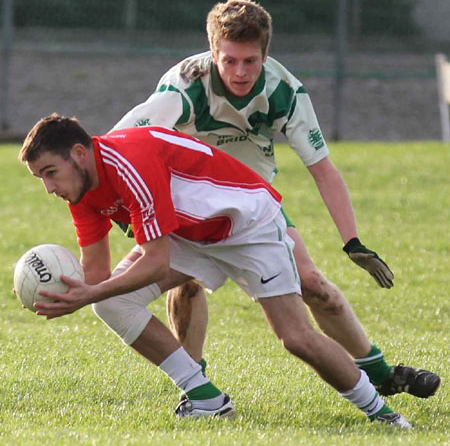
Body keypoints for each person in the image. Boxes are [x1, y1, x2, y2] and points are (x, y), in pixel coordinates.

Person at [112, 0, 440, 400]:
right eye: (229, 61)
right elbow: (120, 143)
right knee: (188, 283)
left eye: (250, 61)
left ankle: (381, 373)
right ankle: (195, 388)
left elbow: (322, 169)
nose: (240, 72)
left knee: (313, 284)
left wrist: (352, 240)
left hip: (254, 202)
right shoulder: (184, 85)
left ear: (265, 55)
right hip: (189, 200)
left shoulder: (284, 90)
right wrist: (127, 208)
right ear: (213, 52)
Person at [20, 114, 412, 427]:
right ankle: (205, 397)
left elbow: (153, 263)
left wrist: (87, 294)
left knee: (295, 338)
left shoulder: (129, 164)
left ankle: (384, 414)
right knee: (112, 303)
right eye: (41, 178)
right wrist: (63, 293)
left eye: (51, 172)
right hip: (191, 235)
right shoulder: (82, 192)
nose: (49, 188)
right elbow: (97, 275)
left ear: (79, 153)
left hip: (247, 224)